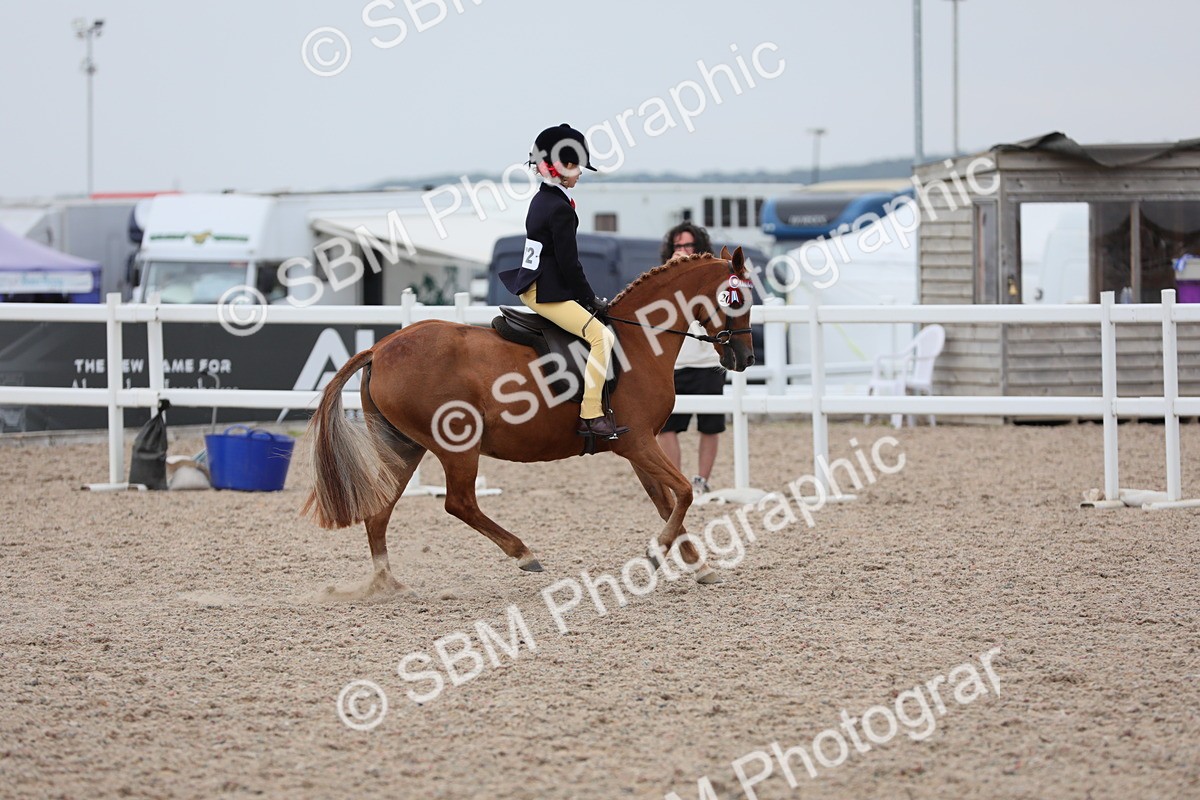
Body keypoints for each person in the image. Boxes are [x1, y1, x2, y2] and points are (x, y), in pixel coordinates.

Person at [498, 123, 627, 439]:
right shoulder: (559, 208)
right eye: (576, 166)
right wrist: (590, 298)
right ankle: (591, 414)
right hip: (545, 290)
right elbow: (569, 264)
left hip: (535, 282)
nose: (580, 173)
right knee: (602, 337)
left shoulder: (543, 199)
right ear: (561, 167)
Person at [655, 222, 725, 496]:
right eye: (678, 246)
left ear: (699, 247)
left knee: (710, 426)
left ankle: (701, 482)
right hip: (674, 363)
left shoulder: (712, 274)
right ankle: (677, 483)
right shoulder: (663, 275)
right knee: (666, 427)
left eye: (688, 245)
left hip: (708, 362)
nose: (683, 250)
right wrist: (670, 272)